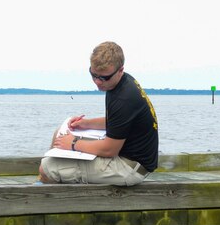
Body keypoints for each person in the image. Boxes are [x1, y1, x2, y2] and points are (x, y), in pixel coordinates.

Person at [39, 41, 159, 186]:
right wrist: (86, 124)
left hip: (128, 167)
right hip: (123, 154)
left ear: (120, 70)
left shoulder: (124, 98)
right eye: (93, 75)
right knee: (59, 133)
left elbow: (109, 150)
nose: (97, 82)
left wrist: (73, 142)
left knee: (46, 168)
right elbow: (118, 122)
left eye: (104, 77)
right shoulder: (119, 83)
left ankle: (50, 197)